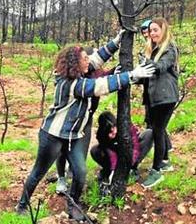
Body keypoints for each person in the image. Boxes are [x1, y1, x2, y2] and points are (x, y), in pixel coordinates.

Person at [16, 31, 155, 221]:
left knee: (80, 173)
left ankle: (72, 205)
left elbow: (97, 59)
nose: (88, 60)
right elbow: (99, 86)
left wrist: (116, 41)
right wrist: (131, 75)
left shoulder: (80, 73)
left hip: (74, 136)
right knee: (38, 172)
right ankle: (22, 205)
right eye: (84, 58)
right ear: (75, 64)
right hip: (53, 135)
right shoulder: (72, 84)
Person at [55, 56, 116, 195]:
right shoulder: (73, 77)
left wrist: (117, 70)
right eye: (85, 60)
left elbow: (106, 77)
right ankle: (61, 178)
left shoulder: (95, 73)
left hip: (86, 120)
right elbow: (97, 85)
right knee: (63, 150)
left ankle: (75, 176)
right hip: (69, 121)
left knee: (81, 149)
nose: (88, 63)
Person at [141, 18, 179, 189]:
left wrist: (145, 63)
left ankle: (156, 171)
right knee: (159, 130)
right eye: (151, 31)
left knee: (157, 131)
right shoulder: (154, 49)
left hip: (166, 97)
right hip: (154, 98)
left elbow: (160, 67)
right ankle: (164, 162)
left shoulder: (169, 48)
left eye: (156, 30)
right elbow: (149, 75)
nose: (152, 33)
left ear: (163, 30)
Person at [90, 111, 153, 195]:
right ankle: (107, 171)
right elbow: (110, 153)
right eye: (110, 132)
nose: (114, 133)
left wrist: (130, 163)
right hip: (115, 156)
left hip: (130, 153)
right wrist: (113, 170)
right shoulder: (102, 135)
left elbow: (135, 146)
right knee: (95, 150)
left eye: (114, 129)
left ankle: (132, 169)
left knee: (148, 134)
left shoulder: (126, 126)